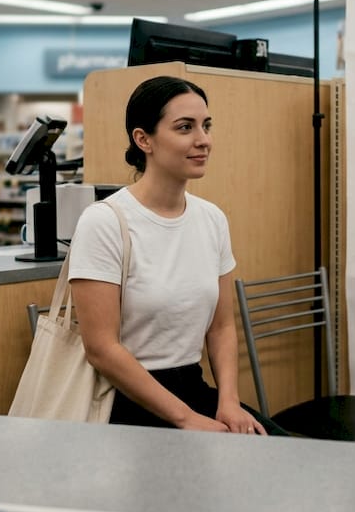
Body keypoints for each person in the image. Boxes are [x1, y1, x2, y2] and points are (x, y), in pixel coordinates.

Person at [70, 76, 277, 434]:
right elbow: (101, 349)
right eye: (185, 128)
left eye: (206, 126)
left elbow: (222, 325)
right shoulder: (104, 221)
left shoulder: (211, 219)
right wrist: (187, 420)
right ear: (143, 139)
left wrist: (227, 402)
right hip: (127, 403)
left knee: (285, 461)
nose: (204, 140)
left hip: (193, 391)